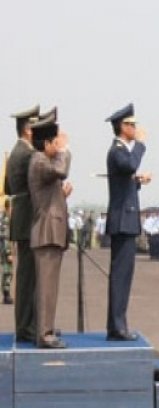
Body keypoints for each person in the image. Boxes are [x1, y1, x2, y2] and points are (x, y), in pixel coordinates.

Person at [104, 103, 151, 341]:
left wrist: (138, 181)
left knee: (123, 275)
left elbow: (127, 178)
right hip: (123, 220)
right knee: (121, 275)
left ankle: (117, 324)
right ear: (123, 127)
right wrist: (141, 144)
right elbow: (130, 165)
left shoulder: (121, 151)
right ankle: (117, 327)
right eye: (132, 125)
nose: (136, 129)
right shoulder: (118, 151)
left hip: (125, 219)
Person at [28, 115, 72, 348]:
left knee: (49, 287)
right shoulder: (40, 161)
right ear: (46, 144)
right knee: (46, 287)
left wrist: (61, 196)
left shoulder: (43, 163)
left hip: (50, 232)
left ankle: (46, 329)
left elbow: (46, 196)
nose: (58, 146)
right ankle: (44, 335)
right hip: (46, 233)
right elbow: (62, 170)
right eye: (55, 142)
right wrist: (65, 150)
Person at [5, 104, 41, 342]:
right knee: (28, 278)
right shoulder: (26, 154)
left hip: (22, 217)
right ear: (28, 130)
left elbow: (8, 188)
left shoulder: (15, 152)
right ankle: (26, 327)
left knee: (28, 276)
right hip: (28, 219)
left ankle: (30, 325)